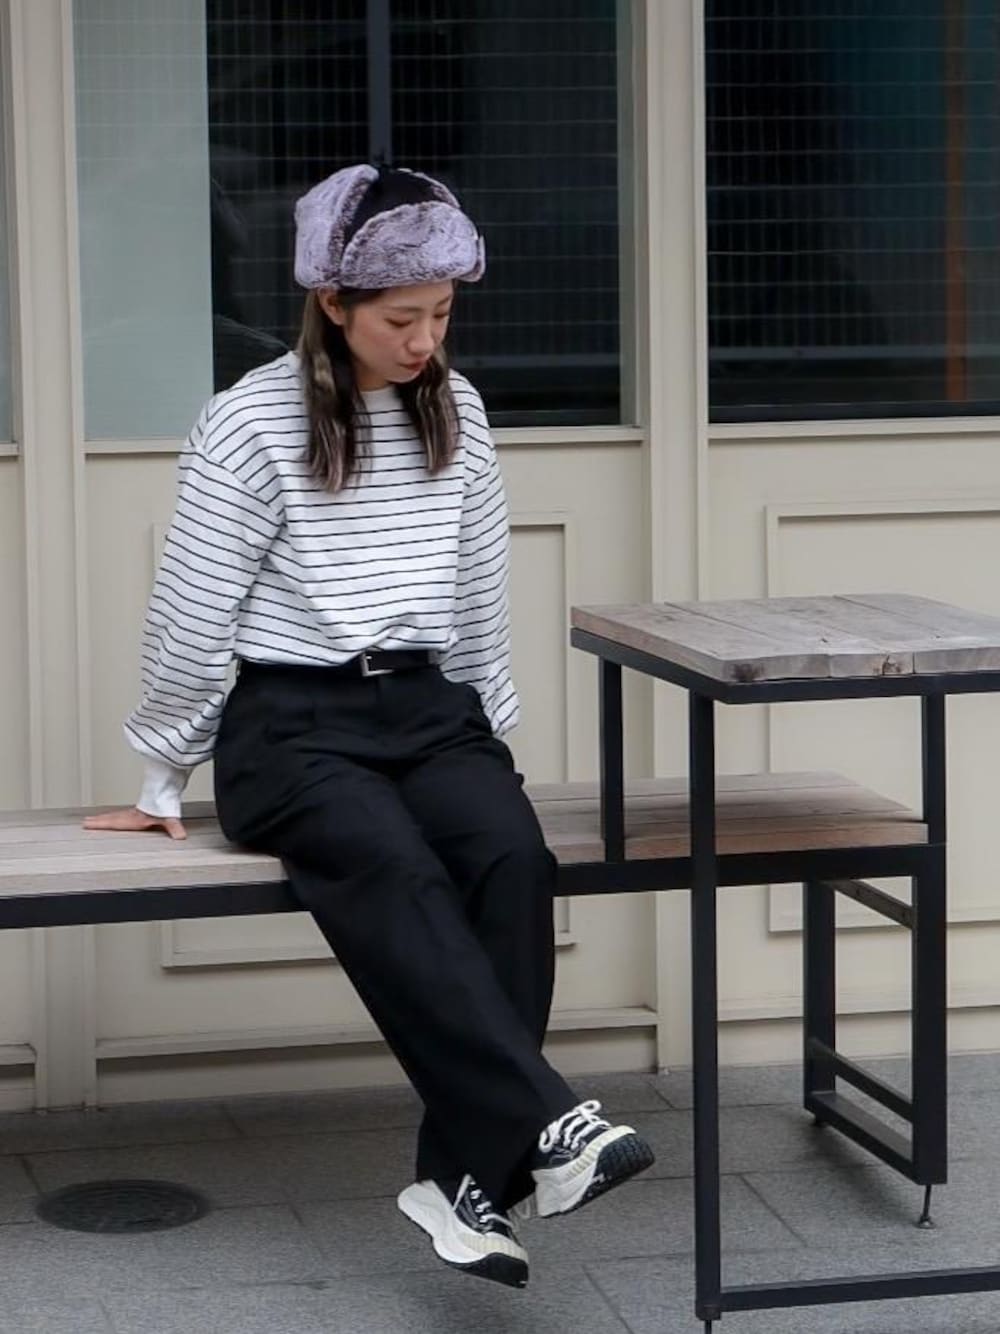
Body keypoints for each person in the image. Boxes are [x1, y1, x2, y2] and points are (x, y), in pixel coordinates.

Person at [84, 162, 655, 1289]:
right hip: (290, 727)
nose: (425, 341)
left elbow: (479, 588)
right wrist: (163, 772)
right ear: (332, 302)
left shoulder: (459, 409)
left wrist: (489, 742)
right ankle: (547, 1122)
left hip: (427, 711)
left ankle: (458, 1181)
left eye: (441, 314)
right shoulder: (250, 421)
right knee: (391, 863)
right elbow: (194, 607)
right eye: (402, 318)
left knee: (509, 854)